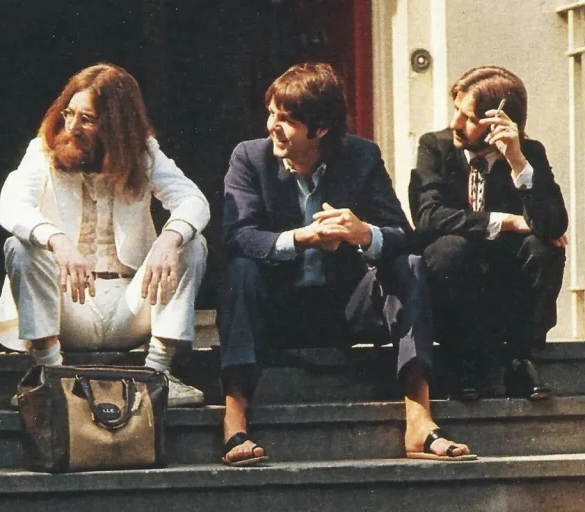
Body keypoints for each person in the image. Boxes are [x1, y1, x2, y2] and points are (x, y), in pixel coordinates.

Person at [217, 62, 474, 466]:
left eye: (286, 120)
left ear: (320, 129)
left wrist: (364, 233)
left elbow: (403, 234)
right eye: (271, 114)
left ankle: (419, 418)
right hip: (277, 309)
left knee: (407, 264)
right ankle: (234, 418)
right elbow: (237, 235)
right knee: (240, 269)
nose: (272, 127)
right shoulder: (250, 158)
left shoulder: (361, 156)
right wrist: (301, 238)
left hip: (346, 306)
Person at [0, 63, 209, 407]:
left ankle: (157, 373)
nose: (71, 127)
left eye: (87, 119)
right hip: (68, 309)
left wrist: (170, 239)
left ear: (116, 124)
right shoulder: (42, 150)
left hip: (131, 306)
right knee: (20, 247)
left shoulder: (143, 153)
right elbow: (12, 205)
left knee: (191, 242)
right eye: (69, 114)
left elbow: (193, 200)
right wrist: (57, 240)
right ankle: (53, 377)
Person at [408, 66, 567, 401]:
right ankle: (464, 360)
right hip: (455, 282)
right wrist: (506, 221)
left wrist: (517, 162)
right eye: (456, 110)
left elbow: (553, 227)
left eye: (468, 117)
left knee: (544, 248)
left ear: (499, 121)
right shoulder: (435, 147)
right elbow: (428, 217)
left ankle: (520, 358)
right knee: (449, 249)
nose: (455, 123)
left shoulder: (529, 153)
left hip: (504, 284)